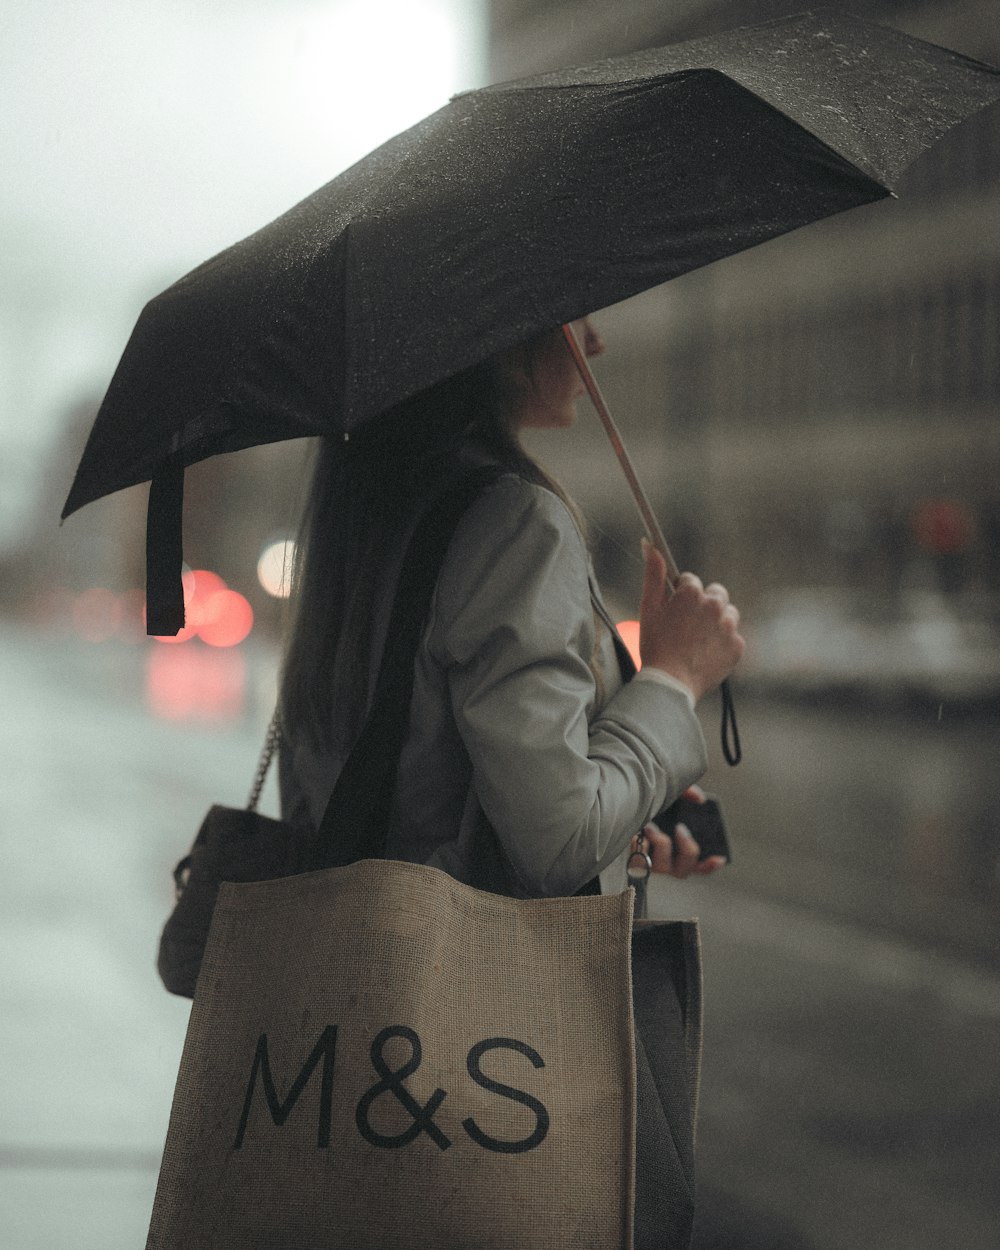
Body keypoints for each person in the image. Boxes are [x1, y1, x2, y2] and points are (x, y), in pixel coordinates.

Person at [278, 317, 744, 897]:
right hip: (461, 980)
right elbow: (559, 844)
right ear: (500, 338)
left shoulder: (353, 523)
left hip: (355, 956)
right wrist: (675, 677)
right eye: (577, 320)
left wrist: (625, 811)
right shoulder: (511, 525)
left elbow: (409, 800)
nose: (595, 343)